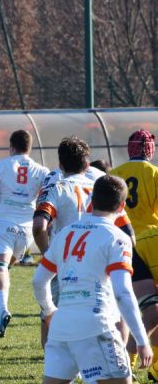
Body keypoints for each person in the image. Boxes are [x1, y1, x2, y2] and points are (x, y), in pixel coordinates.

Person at [32, 175, 152, 383]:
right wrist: (142, 339)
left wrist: (50, 310)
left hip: (61, 329)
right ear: (122, 206)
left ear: (91, 200)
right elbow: (122, 292)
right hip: (97, 326)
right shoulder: (117, 238)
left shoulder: (65, 233)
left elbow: (38, 281)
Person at [0, 129, 49, 337]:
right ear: (30, 148)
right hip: (27, 228)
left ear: (11, 146)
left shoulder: (2, 165)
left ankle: (2, 310)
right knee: (5, 270)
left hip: (4, 222)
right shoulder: (42, 170)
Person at [110, 129, 158, 378]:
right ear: (150, 150)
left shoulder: (114, 174)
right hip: (152, 240)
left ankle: (125, 363)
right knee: (154, 311)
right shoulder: (154, 173)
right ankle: (155, 368)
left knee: (135, 307)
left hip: (122, 244)